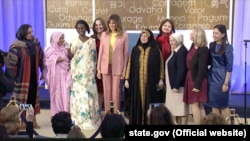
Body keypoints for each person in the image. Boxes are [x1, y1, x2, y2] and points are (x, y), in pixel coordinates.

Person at [124, 29, 164, 125]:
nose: (143, 38)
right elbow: (129, 65)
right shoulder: (135, 50)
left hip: (151, 84)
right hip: (137, 84)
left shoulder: (156, 50)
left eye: (146, 36)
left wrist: (161, 79)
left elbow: (161, 66)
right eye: (142, 36)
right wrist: (127, 79)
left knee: (150, 103)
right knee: (137, 104)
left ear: (149, 38)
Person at [8, 24, 44, 129]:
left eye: (32, 32)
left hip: (33, 77)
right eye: (29, 33)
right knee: (23, 100)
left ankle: (33, 120)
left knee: (32, 99)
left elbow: (41, 59)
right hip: (21, 79)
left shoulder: (36, 45)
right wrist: (12, 78)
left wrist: (43, 71)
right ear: (23, 34)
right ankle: (23, 120)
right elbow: (11, 64)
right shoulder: (16, 47)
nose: (31, 34)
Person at [69, 19, 101, 130]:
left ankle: (91, 119)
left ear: (86, 28)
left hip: (89, 75)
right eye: (78, 28)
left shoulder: (92, 41)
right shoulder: (73, 40)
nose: (80, 30)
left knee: (89, 96)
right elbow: (72, 56)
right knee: (78, 96)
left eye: (82, 28)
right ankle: (77, 120)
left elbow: (94, 58)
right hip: (77, 74)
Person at [97, 14, 129, 113]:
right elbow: (101, 53)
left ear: (117, 23)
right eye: (110, 23)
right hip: (105, 67)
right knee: (107, 91)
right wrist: (99, 69)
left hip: (117, 67)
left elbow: (125, 54)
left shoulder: (124, 35)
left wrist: (124, 71)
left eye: (113, 23)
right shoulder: (104, 35)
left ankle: (115, 112)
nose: (111, 25)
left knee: (116, 92)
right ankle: (108, 113)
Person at [183, 27, 210, 124]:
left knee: (194, 104)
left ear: (198, 35)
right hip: (191, 77)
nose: (190, 35)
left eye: (192, 34)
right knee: (198, 104)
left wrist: (197, 85)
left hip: (198, 79)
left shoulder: (203, 49)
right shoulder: (192, 46)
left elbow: (202, 68)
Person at [207, 24, 234, 119]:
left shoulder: (228, 48)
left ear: (223, 35)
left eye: (216, 33)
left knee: (223, 105)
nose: (214, 35)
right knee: (214, 105)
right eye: (213, 33)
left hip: (222, 78)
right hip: (212, 77)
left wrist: (226, 83)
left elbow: (229, 67)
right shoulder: (211, 45)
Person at [43, 31, 72, 117]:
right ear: (55, 39)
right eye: (60, 38)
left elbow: (70, 59)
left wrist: (68, 49)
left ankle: (66, 113)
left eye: (63, 38)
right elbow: (44, 62)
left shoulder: (65, 49)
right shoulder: (50, 50)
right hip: (55, 77)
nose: (62, 40)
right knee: (57, 95)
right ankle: (57, 114)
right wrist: (55, 60)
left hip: (65, 75)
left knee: (66, 94)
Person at [165, 33, 190, 125]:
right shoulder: (174, 51)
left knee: (181, 110)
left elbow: (181, 69)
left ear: (179, 40)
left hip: (178, 87)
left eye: (173, 40)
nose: (171, 42)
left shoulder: (182, 52)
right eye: (170, 40)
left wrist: (176, 85)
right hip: (171, 86)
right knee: (175, 110)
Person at [91, 17, 107, 111]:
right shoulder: (92, 38)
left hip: (106, 67)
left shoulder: (109, 36)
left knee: (107, 91)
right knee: (98, 92)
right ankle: (99, 112)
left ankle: (108, 113)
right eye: (96, 25)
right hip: (95, 68)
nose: (98, 27)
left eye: (100, 24)